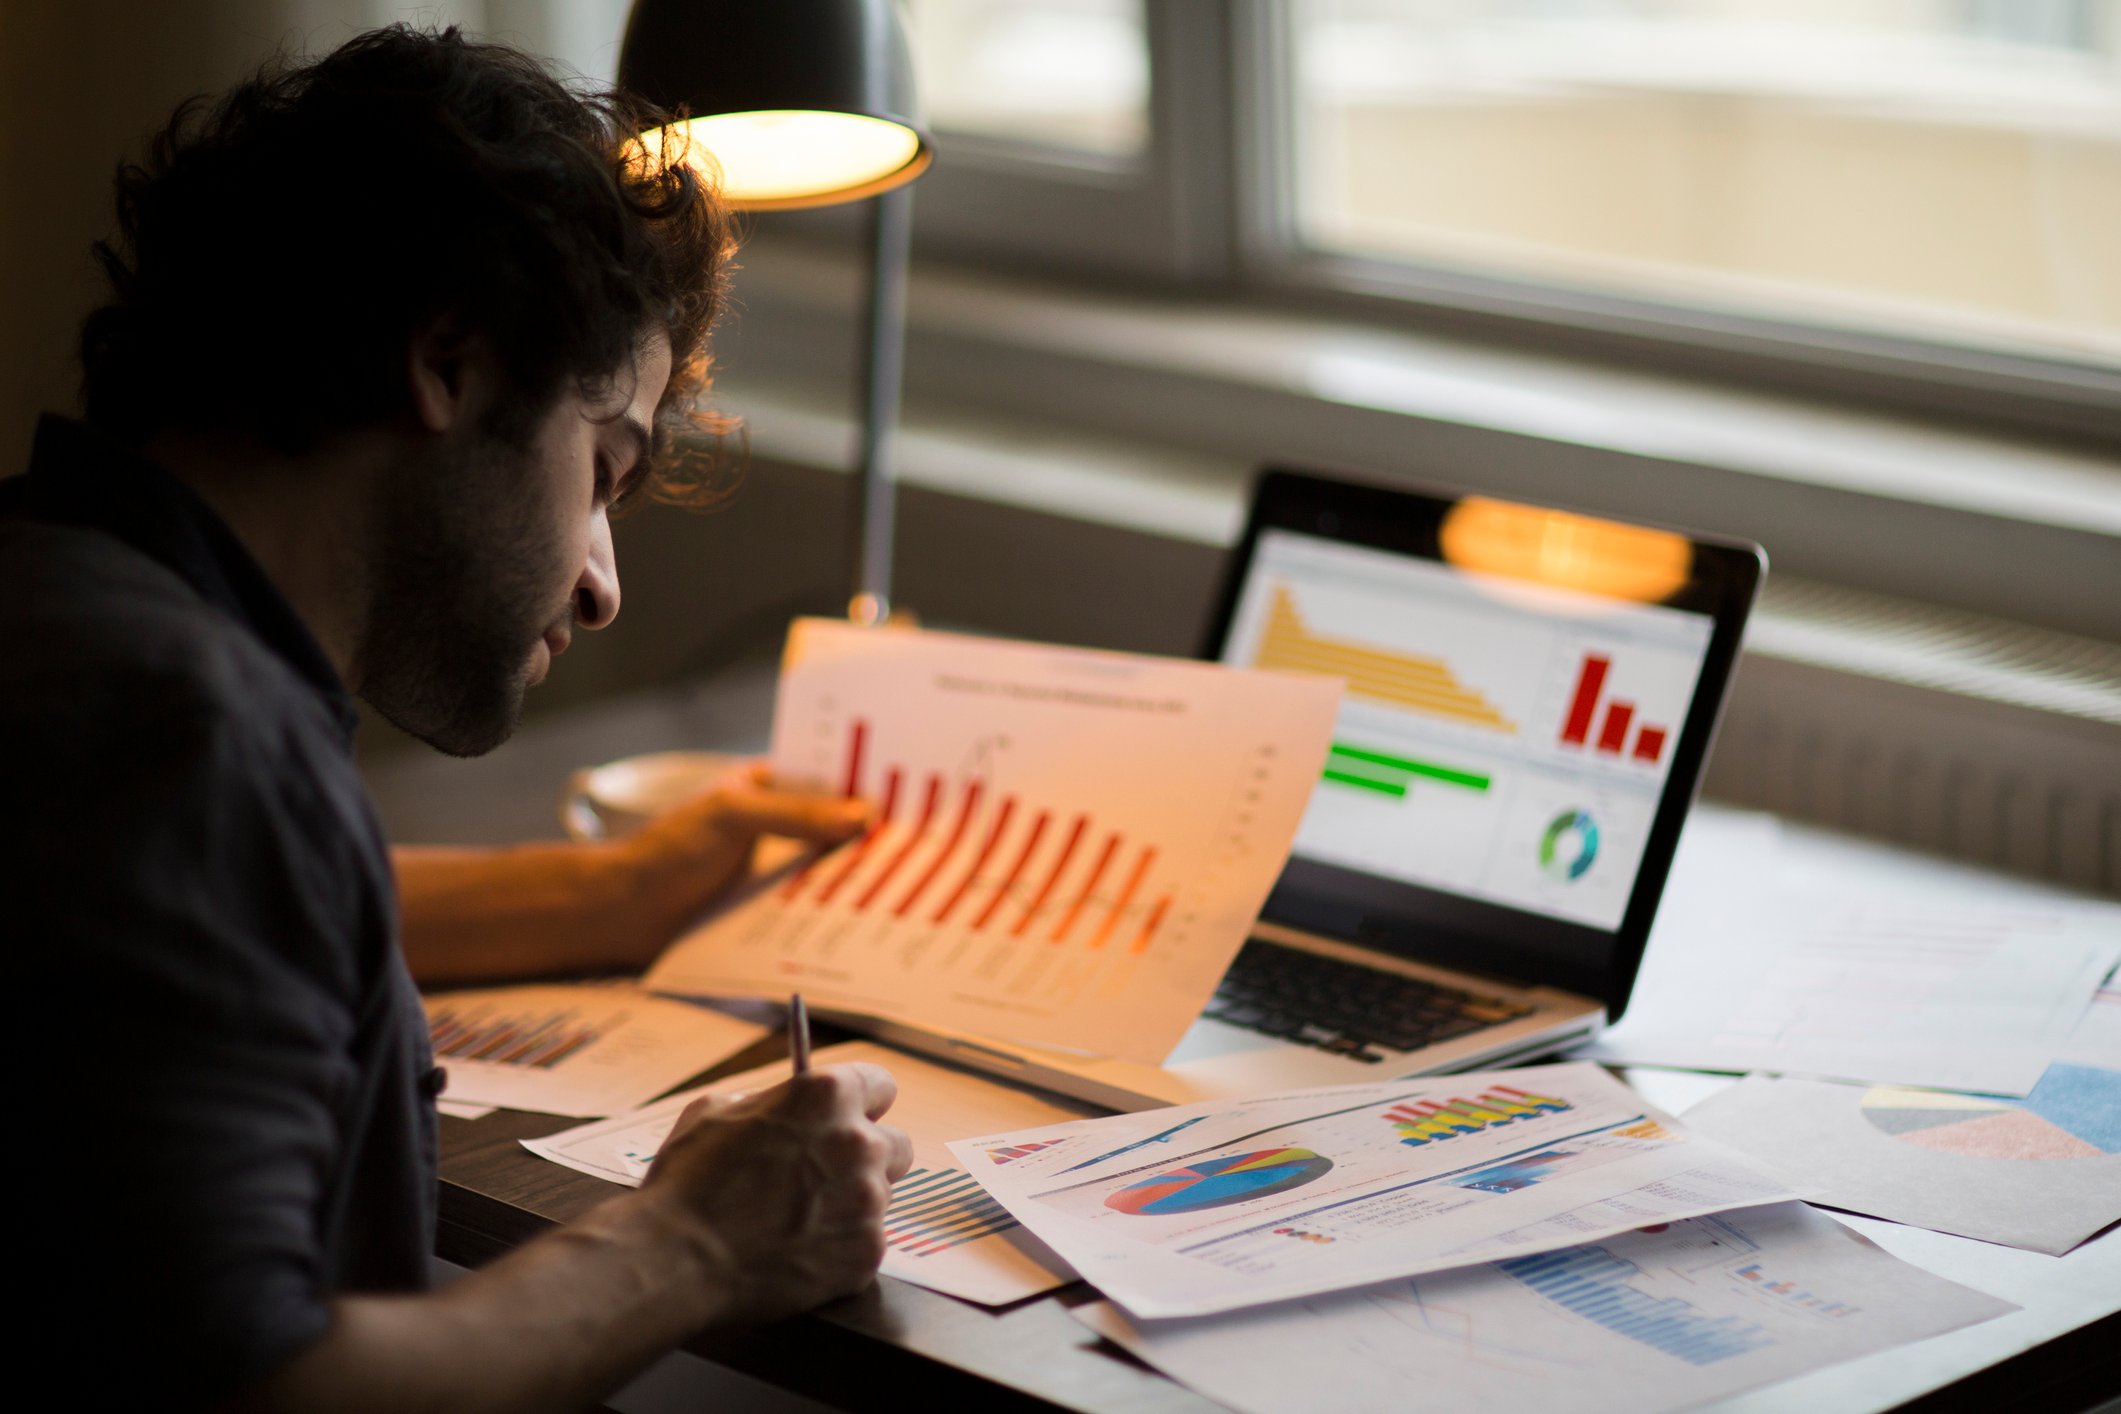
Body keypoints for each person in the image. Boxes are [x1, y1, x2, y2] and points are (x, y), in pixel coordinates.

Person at [6, 25, 912, 1412]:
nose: (603, 586)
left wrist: (617, 890)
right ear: (448, 362)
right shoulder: (187, 738)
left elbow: (209, 923)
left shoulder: (66, 614)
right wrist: (690, 1240)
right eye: (603, 467)